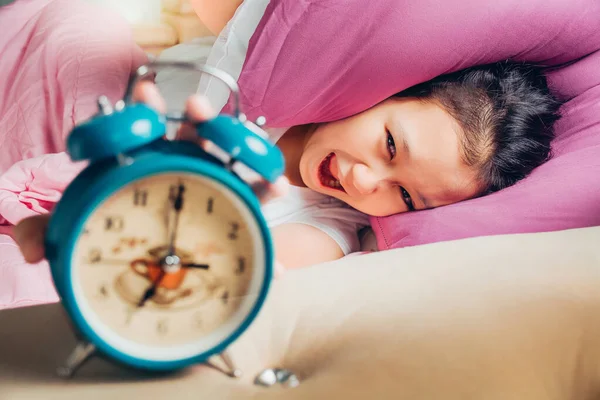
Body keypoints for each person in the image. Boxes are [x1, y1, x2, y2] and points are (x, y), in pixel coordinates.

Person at [12, 2, 562, 273]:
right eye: (390, 146)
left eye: (406, 197)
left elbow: (236, 263)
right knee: (82, 21)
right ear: (386, 90)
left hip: (100, 189)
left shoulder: (324, 229)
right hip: (93, 94)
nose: (367, 181)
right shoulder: (275, 74)